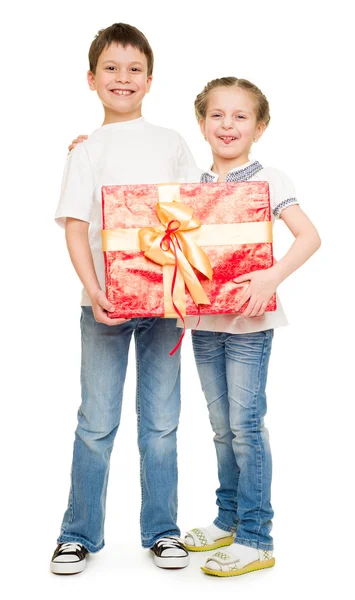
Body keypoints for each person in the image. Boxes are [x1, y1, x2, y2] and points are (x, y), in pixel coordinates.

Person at [50, 22, 201, 575]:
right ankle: (78, 534)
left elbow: (197, 214)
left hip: (166, 306)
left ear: (150, 80)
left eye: (134, 69)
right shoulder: (87, 151)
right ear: (92, 80)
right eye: (111, 69)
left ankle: (162, 530)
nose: (123, 78)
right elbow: (74, 227)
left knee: (161, 421)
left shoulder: (171, 143)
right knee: (96, 420)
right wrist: (93, 292)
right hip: (104, 306)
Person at [180, 77, 321, 577]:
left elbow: (309, 237)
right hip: (203, 321)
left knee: (246, 429)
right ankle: (229, 520)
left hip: (249, 324)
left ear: (259, 128)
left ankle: (258, 538)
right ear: (202, 123)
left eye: (241, 117)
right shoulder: (192, 186)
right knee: (222, 431)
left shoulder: (270, 179)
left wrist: (271, 278)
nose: (228, 125)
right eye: (217, 115)